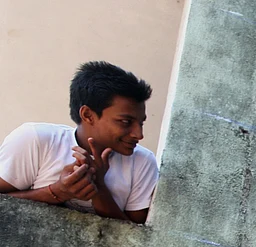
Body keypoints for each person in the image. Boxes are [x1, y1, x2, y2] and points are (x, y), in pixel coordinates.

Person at [0, 61, 158, 224]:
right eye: (125, 122)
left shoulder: (142, 163)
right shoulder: (37, 139)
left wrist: (99, 187)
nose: (138, 134)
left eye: (141, 123)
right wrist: (57, 192)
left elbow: (138, 239)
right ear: (88, 115)